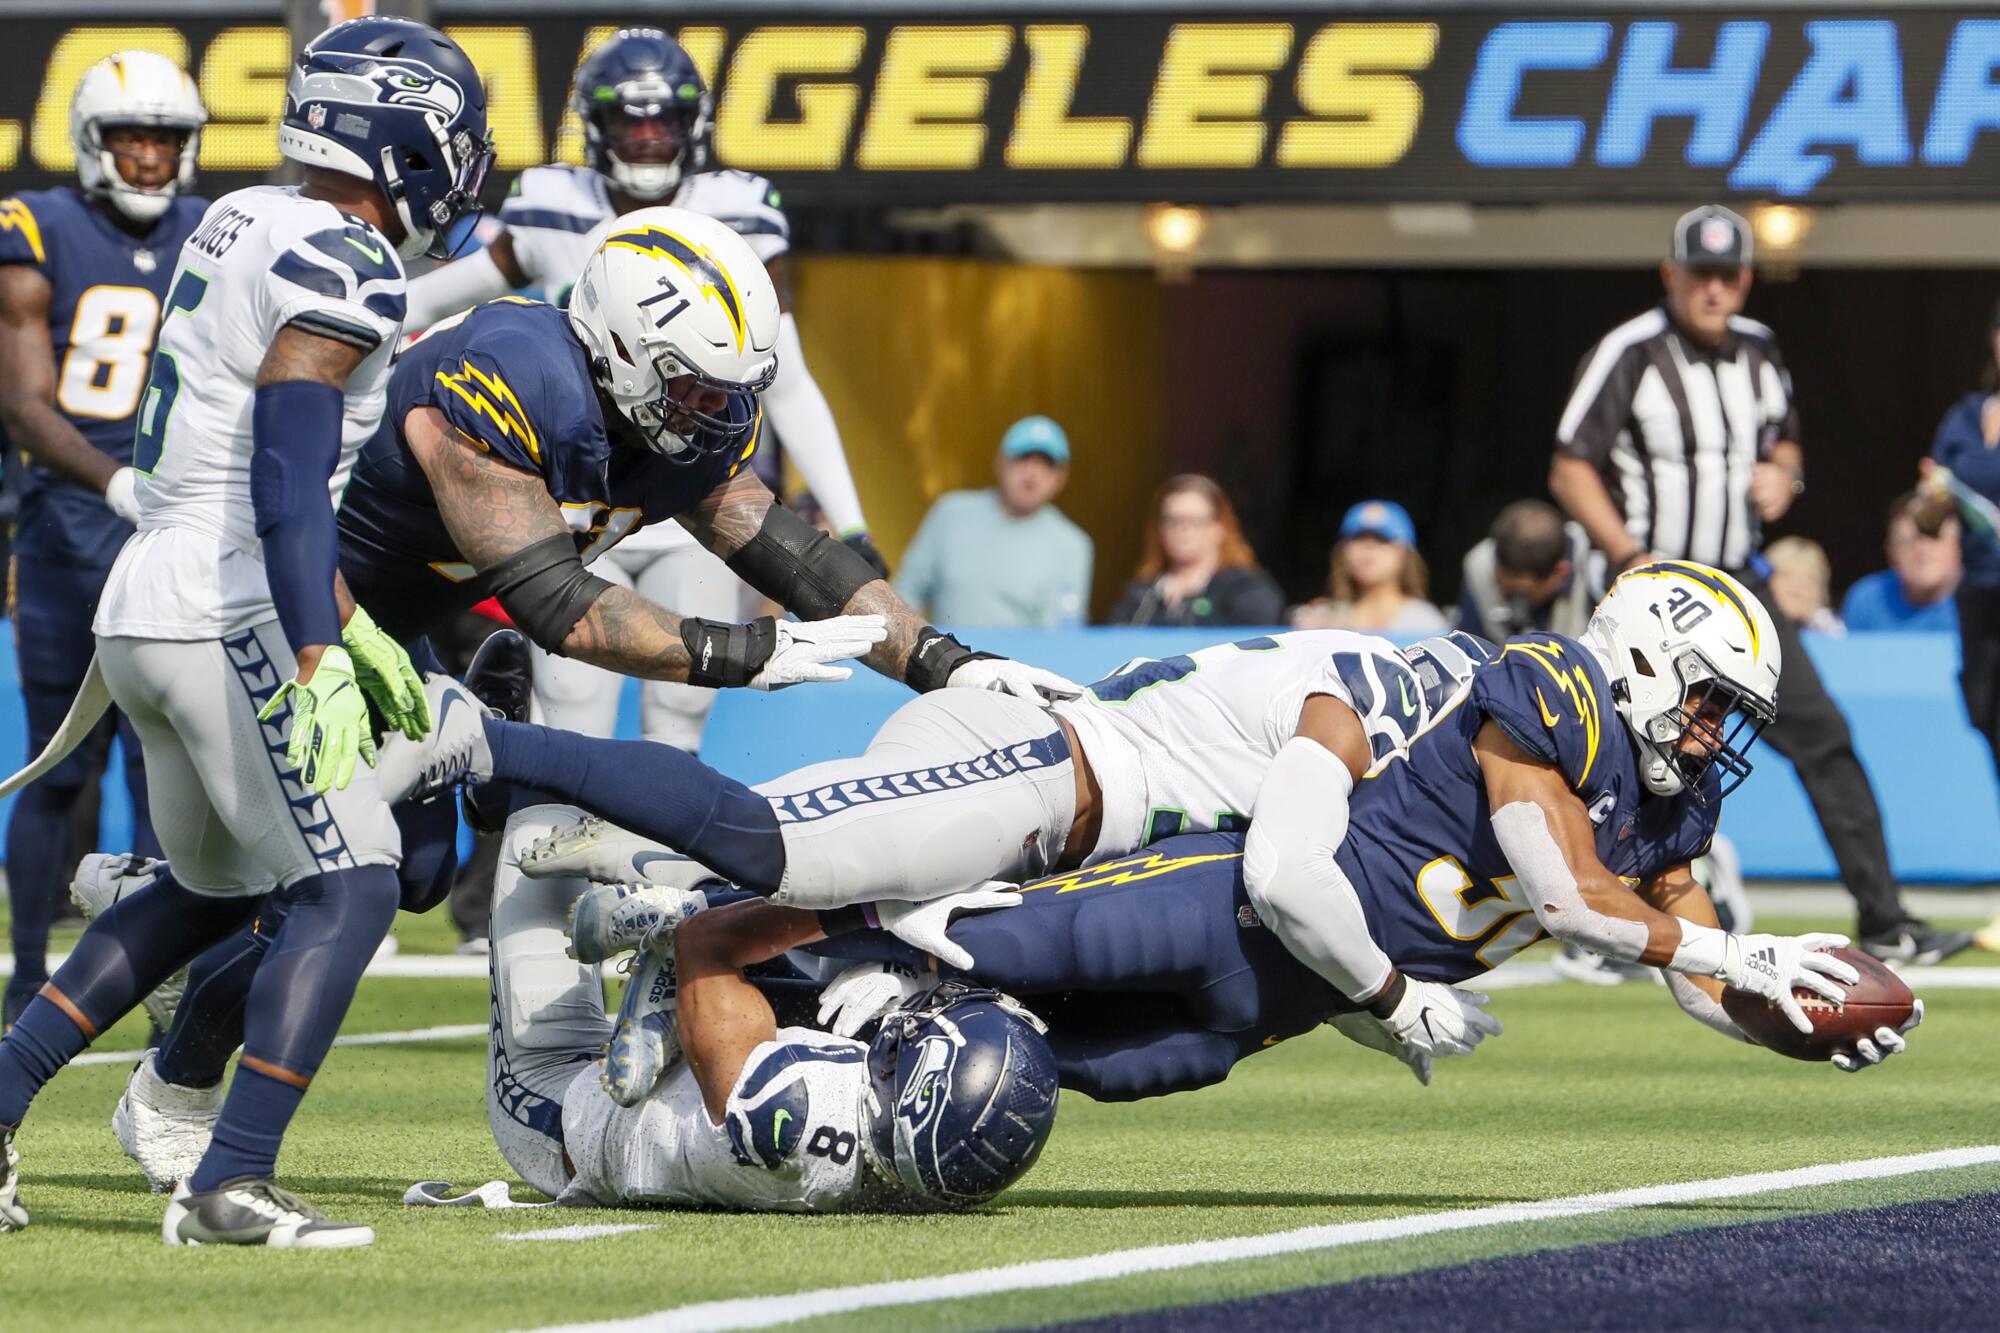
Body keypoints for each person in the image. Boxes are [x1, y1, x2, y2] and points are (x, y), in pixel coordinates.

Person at [0, 16, 497, 1246]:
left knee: (203, 889)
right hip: (221, 597)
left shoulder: (243, 218)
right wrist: (318, 643)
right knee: (355, 877)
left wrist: (339, 625)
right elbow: (283, 472)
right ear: (404, 137)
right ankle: (232, 1177)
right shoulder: (344, 256)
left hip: (147, 594)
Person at [405, 30, 882, 756]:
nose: (652, 138)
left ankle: (648, 868)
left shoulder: (741, 209)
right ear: (600, 128)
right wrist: (351, 312)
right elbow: (438, 302)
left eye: (666, 120)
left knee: (681, 715)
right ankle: (563, 859)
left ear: (695, 125)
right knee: (570, 708)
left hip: (686, 493)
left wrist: (850, 523)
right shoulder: (552, 203)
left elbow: (786, 379)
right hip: (574, 498)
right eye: (634, 121)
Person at [1548, 204, 1969, 966]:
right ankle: (1585, 916)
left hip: (1740, 584)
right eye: (1700, 273)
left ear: (1746, 277)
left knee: (1823, 735)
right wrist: (1625, 549)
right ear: (1671, 274)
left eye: (1728, 274)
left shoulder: (1761, 352)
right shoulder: (1632, 351)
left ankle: (1885, 918)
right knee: (1617, 747)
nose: (1714, 289)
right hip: (1657, 583)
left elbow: (1785, 441)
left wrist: (1787, 473)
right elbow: (1571, 462)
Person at [417, 816, 1057, 1213]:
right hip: (709, 1085)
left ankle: (665, 968)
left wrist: (871, 915)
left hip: (563, 1114)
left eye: (922, 1033)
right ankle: (674, 986)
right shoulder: (933, 1170)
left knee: (540, 829)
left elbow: (714, 946)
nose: (922, 1016)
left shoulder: (796, 1106)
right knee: (829, 977)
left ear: (905, 1076)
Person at [0, 52, 207, 1028]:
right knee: (58, 760)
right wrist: (114, 477)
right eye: (133, 137)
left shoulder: (212, 230)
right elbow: (26, 403)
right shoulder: (39, 226)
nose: (151, 158)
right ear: (92, 140)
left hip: (179, 524)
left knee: (166, 753)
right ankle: (29, 962)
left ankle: (163, 967)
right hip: (73, 523)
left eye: (165, 139)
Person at [894, 415, 1093, 629]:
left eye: (1047, 463)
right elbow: (905, 595)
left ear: (1061, 478)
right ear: (1000, 462)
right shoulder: (951, 513)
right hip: (945, 659)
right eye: (1023, 457)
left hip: (1021, 661)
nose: (1032, 473)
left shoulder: (1072, 545)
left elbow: (1063, 634)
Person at [1109, 475, 1285, 627]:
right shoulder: (1142, 595)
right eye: (1171, 521)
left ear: (1219, 527)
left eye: (1194, 521)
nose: (1182, 530)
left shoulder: (1246, 589)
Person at [1291, 500, 1448, 634]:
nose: (1368, 549)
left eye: (1381, 540)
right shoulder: (1323, 619)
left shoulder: (1425, 622)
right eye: (1359, 539)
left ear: (1404, 554)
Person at [1457, 500, 1598, 641]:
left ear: (1560, 572)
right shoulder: (1480, 565)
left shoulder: (1594, 565)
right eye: (1501, 584)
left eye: (1521, 593)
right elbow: (1469, 646)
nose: (1503, 597)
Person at [1842, 493, 1961, 633]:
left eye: (1934, 537)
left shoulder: (1986, 603)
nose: (1922, 550)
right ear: (1890, 552)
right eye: (1908, 541)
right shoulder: (1866, 600)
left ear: (1959, 545)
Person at [1764, 536, 1844, 634]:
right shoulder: (1746, 626)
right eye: (1788, 574)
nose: (1799, 586)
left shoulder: (1831, 631)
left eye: (1810, 579)